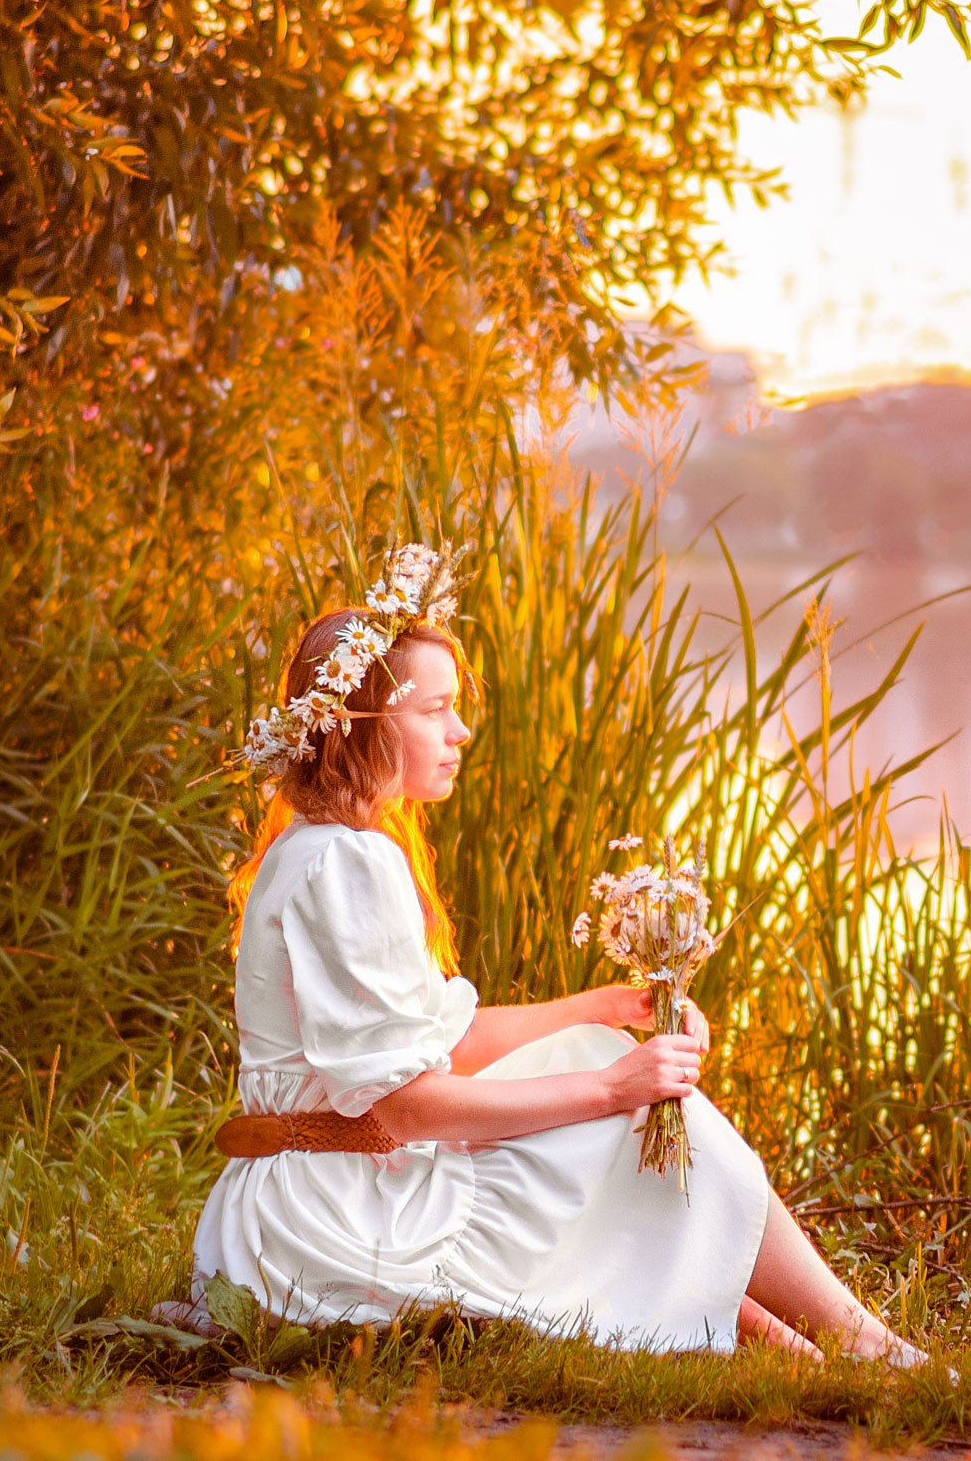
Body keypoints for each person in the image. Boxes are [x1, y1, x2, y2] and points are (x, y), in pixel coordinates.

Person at [156, 544, 924, 1364]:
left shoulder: (318, 846)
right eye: (433, 711)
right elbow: (409, 1107)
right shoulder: (347, 860)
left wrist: (600, 1009)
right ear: (360, 724)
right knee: (618, 1114)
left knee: (597, 1058)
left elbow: (438, 1049)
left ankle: (801, 1344)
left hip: (292, 1199)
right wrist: (610, 1087)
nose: (460, 730)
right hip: (332, 1217)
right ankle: (863, 1343)